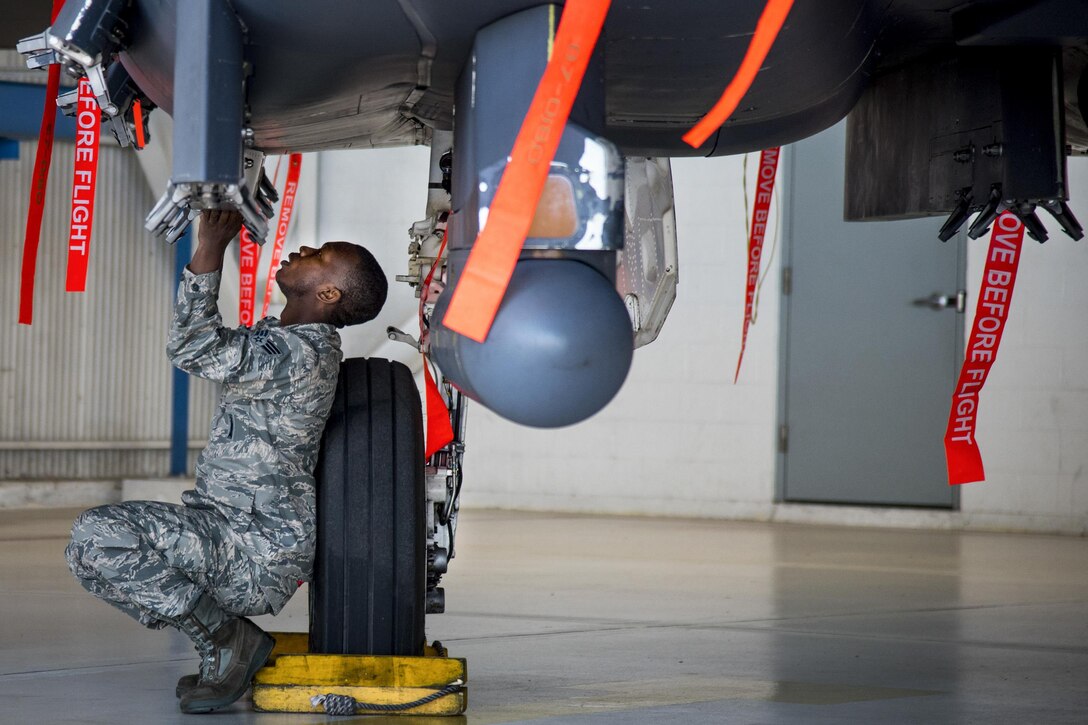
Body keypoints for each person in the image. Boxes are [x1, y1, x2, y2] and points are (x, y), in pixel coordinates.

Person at [64, 209, 388, 713]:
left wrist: (210, 245)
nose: (303, 252)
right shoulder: (289, 345)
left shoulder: (300, 353)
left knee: (98, 535)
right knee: (87, 558)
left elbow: (193, 347)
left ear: (329, 294)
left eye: (320, 258)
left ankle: (228, 641)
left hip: (254, 549)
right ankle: (224, 644)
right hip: (228, 531)